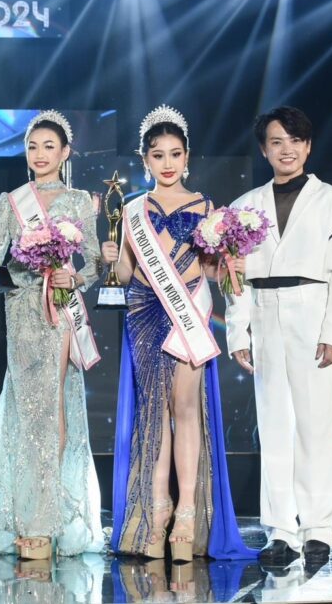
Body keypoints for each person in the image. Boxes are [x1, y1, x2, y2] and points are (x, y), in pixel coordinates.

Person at [0, 110, 103, 559]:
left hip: (60, 310)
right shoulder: (10, 201)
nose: (40, 154)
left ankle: (44, 520)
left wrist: (75, 278)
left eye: (49, 146)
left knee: (53, 405)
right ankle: (26, 511)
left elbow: (93, 261)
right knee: (26, 411)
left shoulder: (79, 201)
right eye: (33, 146)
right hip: (21, 308)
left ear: (65, 153)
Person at [102, 106, 254, 562]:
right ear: (144, 159)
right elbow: (126, 273)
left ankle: (186, 512)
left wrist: (231, 264)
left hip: (188, 310)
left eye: (174, 154)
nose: (166, 163)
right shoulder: (132, 210)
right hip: (144, 310)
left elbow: (211, 271)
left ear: (187, 156)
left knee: (185, 408)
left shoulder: (208, 209)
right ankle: (157, 508)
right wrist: (111, 258)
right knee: (153, 411)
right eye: (157, 155)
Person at [225, 106, 332, 569]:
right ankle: (280, 531)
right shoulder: (243, 207)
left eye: (295, 140)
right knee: (274, 426)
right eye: (277, 141)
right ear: (264, 150)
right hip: (263, 313)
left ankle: (319, 529)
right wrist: (237, 331)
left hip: (312, 310)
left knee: (317, 427)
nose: (287, 150)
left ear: (308, 146)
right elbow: (235, 278)